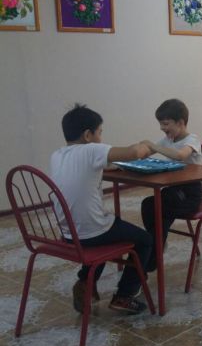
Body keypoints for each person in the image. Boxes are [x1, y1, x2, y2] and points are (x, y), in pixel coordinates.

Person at [50, 104, 154, 315]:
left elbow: (98, 166)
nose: (101, 137)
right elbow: (135, 152)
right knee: (145, 240)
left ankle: (85, 282)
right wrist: (147, 145)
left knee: (103, 235)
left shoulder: (57, 155)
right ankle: (124, 295)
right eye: (100, 132)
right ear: (88, 135)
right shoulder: (91, 150)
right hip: (93, 232)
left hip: (69, 234)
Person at [141, 99, 202, 272]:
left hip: (190, 194)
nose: (162, 128)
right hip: (173, 191)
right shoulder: (167, 139)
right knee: (148, 204)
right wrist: (137, 151)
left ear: (181, 122)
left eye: (166, 124)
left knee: (160, 207)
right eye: (161, 125)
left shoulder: (192, 140)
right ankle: (157, 245)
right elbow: (147, 151)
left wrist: (153, 146)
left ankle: (153, 252)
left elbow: (180, 155)